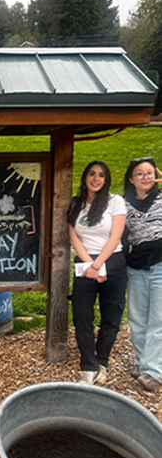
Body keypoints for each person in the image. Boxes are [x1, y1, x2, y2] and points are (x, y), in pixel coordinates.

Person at [67, 161, 127, 385]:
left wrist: (98, 265)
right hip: (85, 261)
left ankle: (102, 361)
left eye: (101, 175)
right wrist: (91, 265)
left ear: (106, 179)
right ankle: (88, 364)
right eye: (92, 174)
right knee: (82, 313)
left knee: (111, 313)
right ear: (85, 177)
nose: (96, 179)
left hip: (113, 261)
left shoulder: (115, 202)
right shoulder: (76, 203)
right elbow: (74, 237)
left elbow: (115, 237)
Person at [123, 156, 162, 391]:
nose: (146, 177)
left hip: (161, 265)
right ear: (131, 179)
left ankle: (153, 370)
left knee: (158, 320)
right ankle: (141, 361)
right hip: (135, 267)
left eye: (149, 173)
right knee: (137, 319)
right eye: (140, 173)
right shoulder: (123, 203)